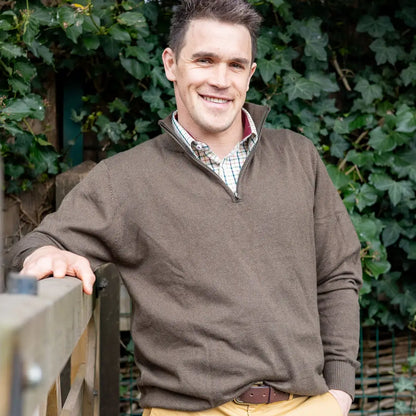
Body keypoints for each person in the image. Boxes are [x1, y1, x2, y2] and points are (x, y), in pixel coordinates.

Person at [8, 1, 362, 415]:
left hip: (309, 405)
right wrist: (45, 253)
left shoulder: (298, 157)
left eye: (235, 65)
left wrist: (339, 392)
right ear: (171, 64)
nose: (220, 79)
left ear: (250, 75)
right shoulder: (124, 180)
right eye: (205, 60)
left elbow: (338, 273)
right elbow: (35, 245)